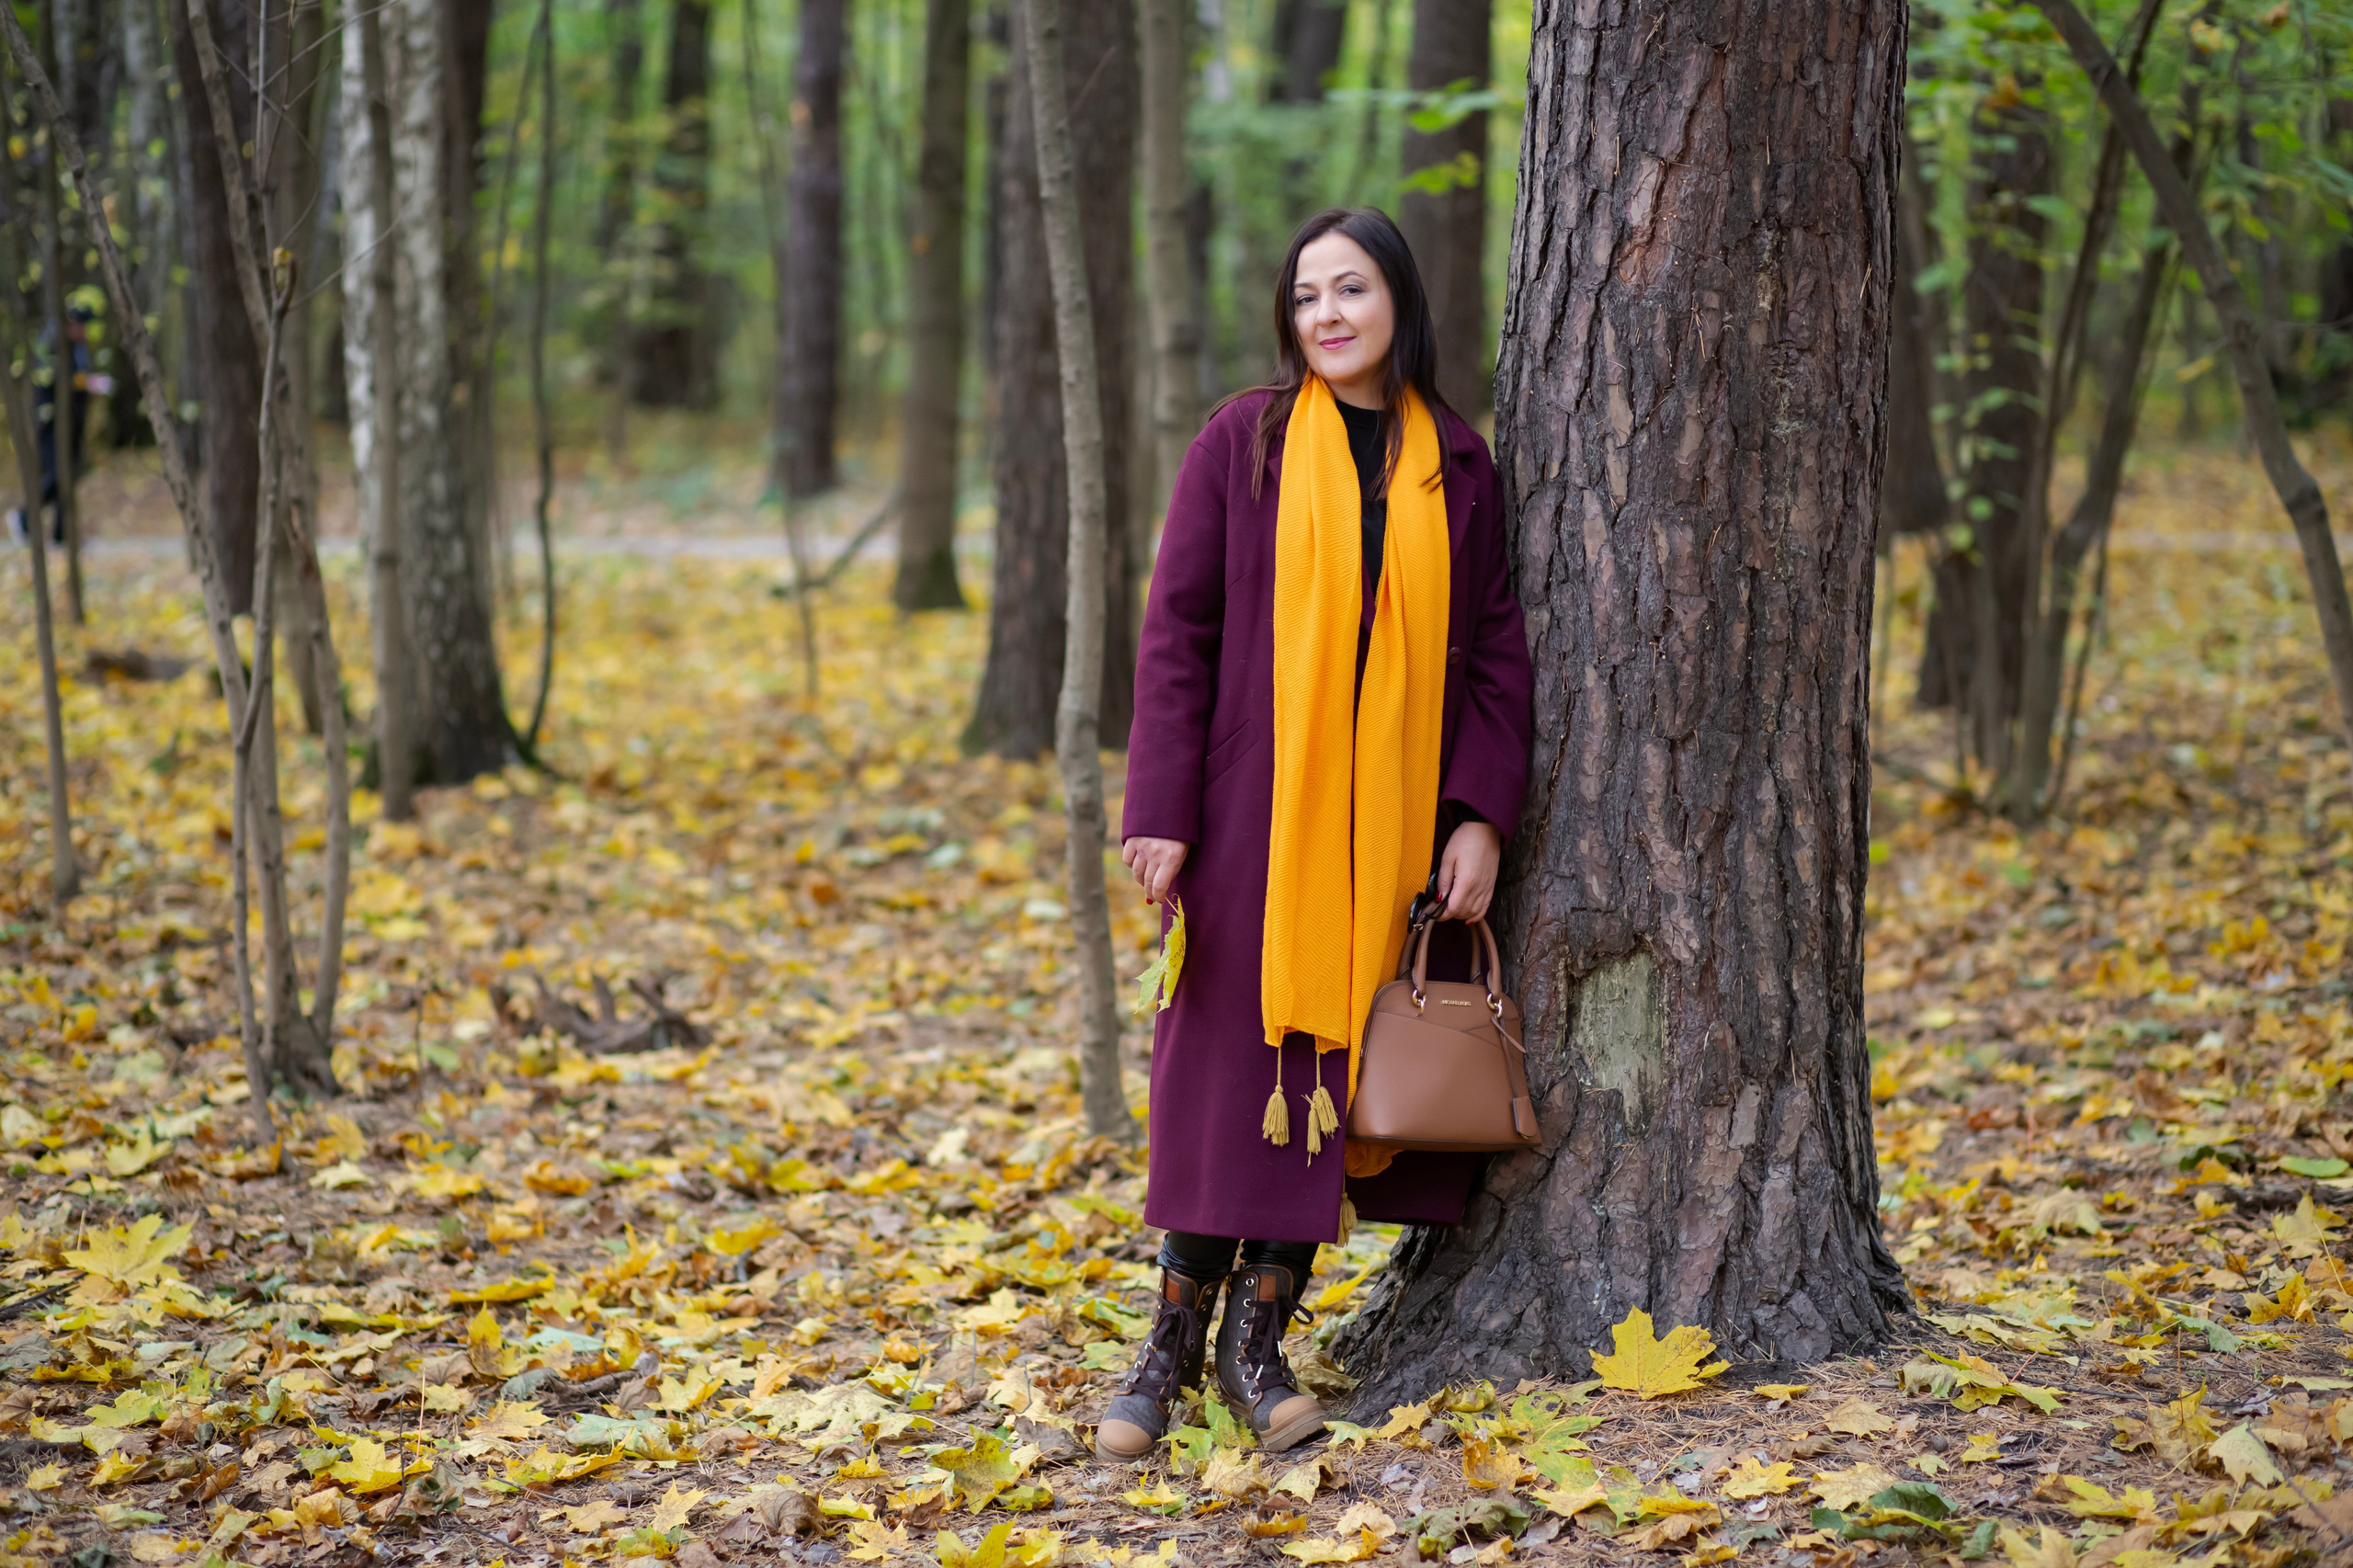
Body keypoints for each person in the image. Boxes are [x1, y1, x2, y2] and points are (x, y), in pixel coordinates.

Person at [1098, 207, 1534, 1461]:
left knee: (1331, 1081)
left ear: (1399, 298)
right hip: (1248, 817)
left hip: (1389, 827)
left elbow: (1498, 651)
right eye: (1306, 297)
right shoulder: (1245, 443)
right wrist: (1162, 811)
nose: (1328, 315)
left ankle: (1258, 1345)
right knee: (1225, 1072)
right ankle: (1168, 1345)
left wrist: (1480, 816)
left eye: (1351, 289)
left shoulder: (1455, 464)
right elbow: (1176, 632)